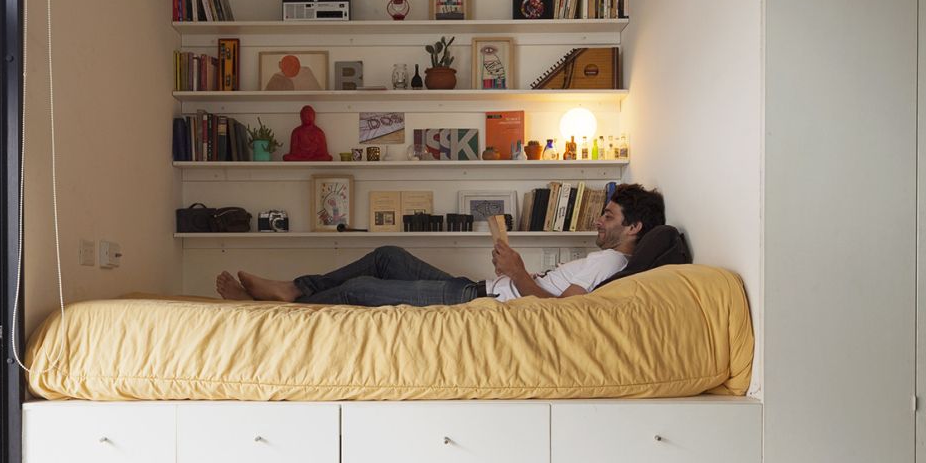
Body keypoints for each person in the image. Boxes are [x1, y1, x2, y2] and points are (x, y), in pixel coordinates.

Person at [217, 183, 666, 307]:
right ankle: (294, 288)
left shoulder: (610, 264)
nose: (597, 221)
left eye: (608, 217)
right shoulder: (606, 258)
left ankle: (277, 303)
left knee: (367, 289)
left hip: (478, 301)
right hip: (479, 288)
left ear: (635, 228)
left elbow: (562, 310)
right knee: (387, 255)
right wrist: (512, 272)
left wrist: (517, 272)